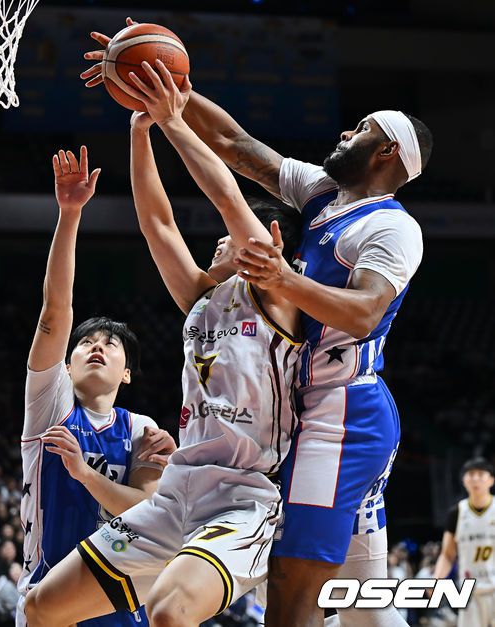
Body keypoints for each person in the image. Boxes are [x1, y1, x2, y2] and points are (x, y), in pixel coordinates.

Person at [81, 23, 432, 626]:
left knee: (291, 595)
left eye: (361, 129)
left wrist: (283, 280)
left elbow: (366, 312)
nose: (345, 132)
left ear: (388, 153)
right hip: (298, 407)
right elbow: (234, 145)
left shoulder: (393, 228)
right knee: (360, 599)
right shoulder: (321, 195)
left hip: (340, 411)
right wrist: (161, 86)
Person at [24, 61, 303, 627]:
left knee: (170, 612)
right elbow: (158, 224)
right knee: (42, 606)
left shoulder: (280, 298)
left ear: (268, 243)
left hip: (242, 499)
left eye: (229, 239)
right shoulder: (203, 299)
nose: (219, 241)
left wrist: (173, 119)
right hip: (176, 495)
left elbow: (228, 198)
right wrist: (139, 129)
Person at [17, 145, 177, 627]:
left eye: (111, 344)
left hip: (119, 598)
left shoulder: (141, 428)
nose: (96, 348)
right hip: (47, 593)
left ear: (127, 373)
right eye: (86, 342)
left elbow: (145, 510)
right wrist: (70, 215)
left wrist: (85, 474)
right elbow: (54, 313)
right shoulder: (50, 405)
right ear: (65, 367)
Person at [433, 457, 495, 627]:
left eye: (480, 474)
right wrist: (436, 580)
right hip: (470, 592)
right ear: (464, 480)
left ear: (491, 480)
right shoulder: (457, 512)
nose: (475, 478)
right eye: (471, 474)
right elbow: (447, 555)